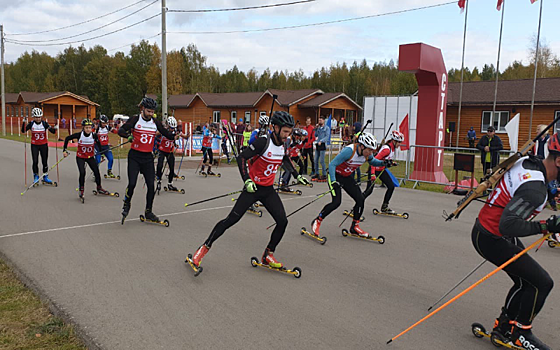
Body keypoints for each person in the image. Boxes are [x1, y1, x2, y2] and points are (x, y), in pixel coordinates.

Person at [188, 111, 310, 271]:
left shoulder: (283, 144)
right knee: (231, 220)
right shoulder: (263, 142)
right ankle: (202, 249)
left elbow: (284, 159)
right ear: (275, 128)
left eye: (289, 131)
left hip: (268, 190)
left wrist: (296, 176)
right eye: (285, 131)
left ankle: (268, 255)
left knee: (282, 221)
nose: (288, 135)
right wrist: (247, 180)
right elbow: (242, 157)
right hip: (252, 189)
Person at [470, 134, 560, 350]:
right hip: (492, 237)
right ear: (559, 161)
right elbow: (507, 225)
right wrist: (546, 226)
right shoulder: (535, 190)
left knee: (525, 281)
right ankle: (521, 333)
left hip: (487, 230)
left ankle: (503, 328)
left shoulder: (531, 162)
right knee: (542, 282)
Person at [310, 132, 386, 238]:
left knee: (360, 199)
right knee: (336, 202)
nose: (370, 153)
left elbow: (373, 161)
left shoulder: (367, 154)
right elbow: (332, 164)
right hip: (334, 175)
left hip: (346, 177)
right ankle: (318, 220)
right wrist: (333, 181)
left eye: (372, 151)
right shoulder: (349, 151)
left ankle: (355, 226)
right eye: (369, 150)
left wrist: (384, 163)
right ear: (362, 146)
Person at [118, 97, 178, 222]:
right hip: (135, 156)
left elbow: (165, 133)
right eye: (148, 111)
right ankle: (127, 203)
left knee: (152, 186)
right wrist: (128, 136)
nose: (151, 114)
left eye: (152, 112)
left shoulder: (155, 122)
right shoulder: (135, 119)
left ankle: (148, 211)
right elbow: (121, 130)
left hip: (147, 158)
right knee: (132, 183)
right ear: (143, 109)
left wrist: (175, 136)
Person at [63, 119, 109, 200]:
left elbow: (99, 145)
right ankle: (81, 190)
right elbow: (67, 138)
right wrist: (64, 150)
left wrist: (101, 154)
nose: (88, 129)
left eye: (89, 127)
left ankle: (99, 188)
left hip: (90, 157)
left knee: (97, 172)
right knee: (82, 172)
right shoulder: (79, 135)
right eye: (86, 127)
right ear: (83, 128)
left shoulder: (94, 135)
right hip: (80, 157)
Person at [364, 130, 404, 214]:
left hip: (381, 170)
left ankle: (384, 206)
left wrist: (391, 163)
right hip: (374, 170)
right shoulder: (387, 149)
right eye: (399, 142)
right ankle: (356, 206)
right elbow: (374, 161)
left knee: (391, 186)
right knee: (369, 190)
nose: (400, 144)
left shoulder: (392, 148)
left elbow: (385, 160)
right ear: (394, 141)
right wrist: (372, 174)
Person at [21, 108, 57, 185]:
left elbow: (53, 132)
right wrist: (23, 122)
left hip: (44, 145)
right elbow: (23, 131)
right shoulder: (31, 124)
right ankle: (36, 177)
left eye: (39, 117)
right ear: (34, 117)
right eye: (36, 117)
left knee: (44, 161)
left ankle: (45, 176)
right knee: (35, 161)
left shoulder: (44, 123)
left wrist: (56, 127)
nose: (38, 119)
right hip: (34, 145)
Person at [156, 116, 189, 191]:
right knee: (159, 166)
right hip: (162, 150)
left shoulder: (176, 131)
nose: (172, 129)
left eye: (173, 127)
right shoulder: (164, 130)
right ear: (167, 125)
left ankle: (170, 184)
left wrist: (187, 136)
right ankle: (159, 181)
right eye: (171, 127)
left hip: (170, 152)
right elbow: (155, 134)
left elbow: (184, 136)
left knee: (172, 168)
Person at [313, 116, 330, 181]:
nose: (319, 121)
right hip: (318, 145)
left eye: (321, 120)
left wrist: (321, 141)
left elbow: (327, 136)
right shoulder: (319, 128)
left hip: (322, 145)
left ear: (323, 121)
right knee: (315, 160)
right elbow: (315, 135)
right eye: (319, 120)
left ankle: (324, 174)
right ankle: (316, 173)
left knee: (322, 161)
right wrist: (316, 128)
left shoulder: (326, 128)